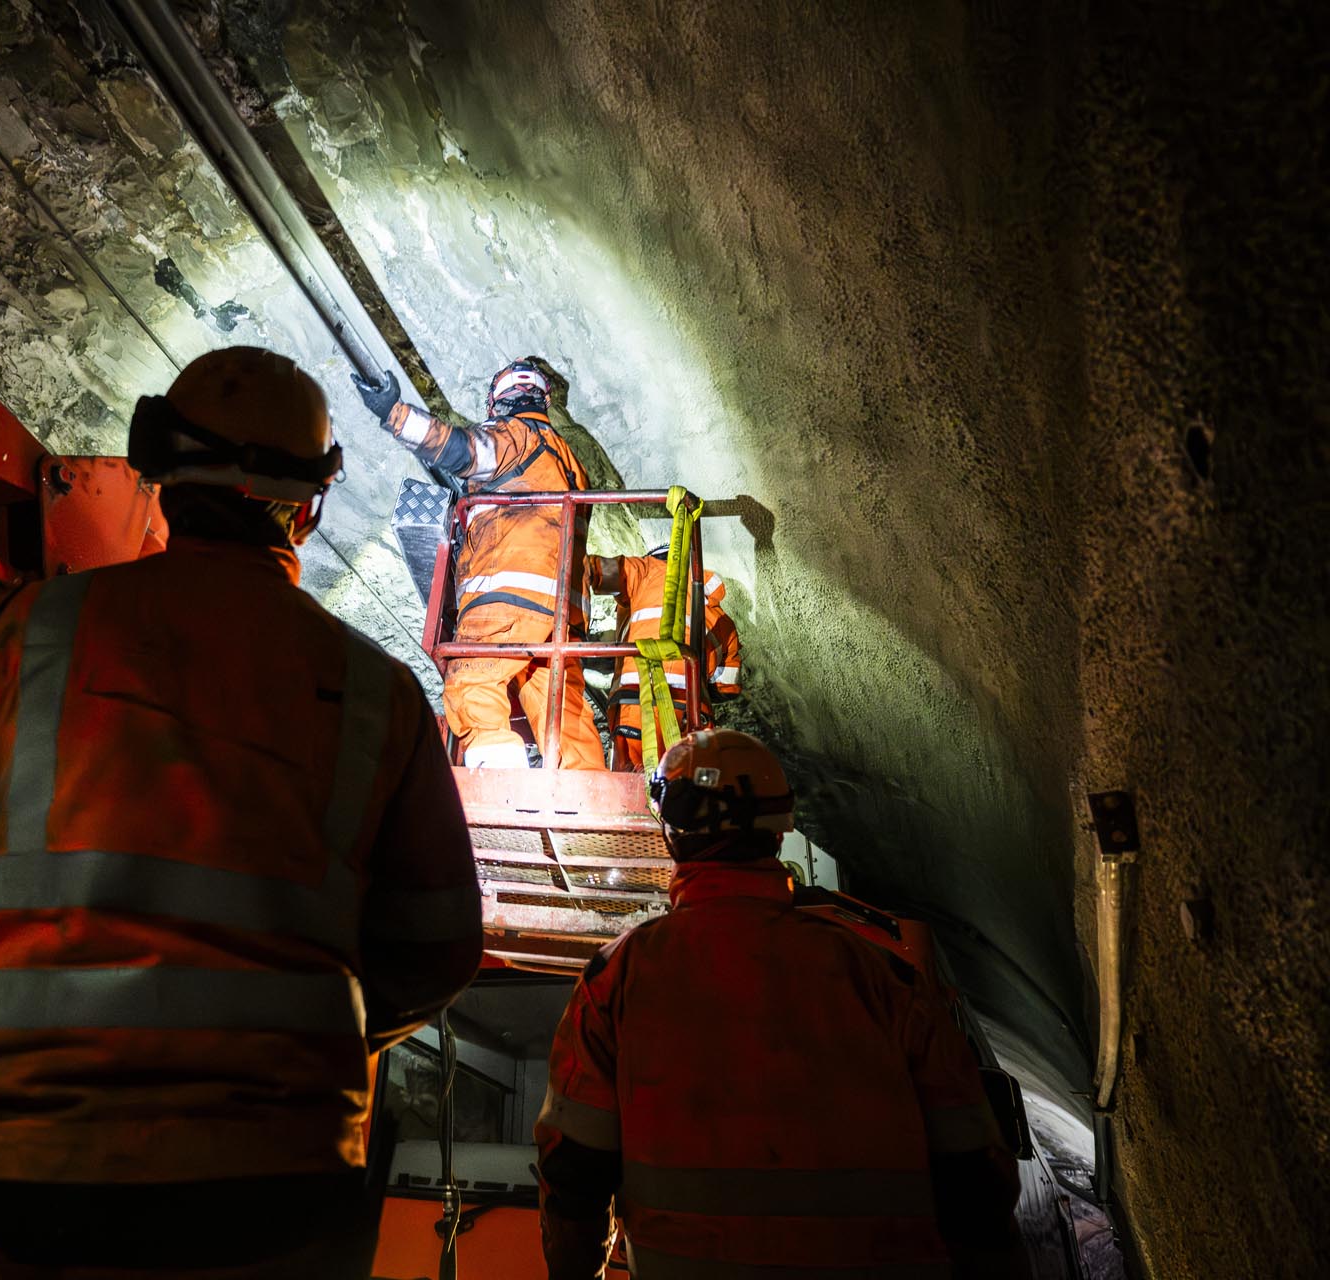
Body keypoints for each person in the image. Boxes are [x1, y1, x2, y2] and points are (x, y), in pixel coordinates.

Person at [0, 347, 484, 1279]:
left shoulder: (36, 630)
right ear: (310, 508)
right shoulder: (379, 696)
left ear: (159, 481)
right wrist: (304, 1038)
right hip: (273, 1201)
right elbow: (438, 948)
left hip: (38, 1183)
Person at [535, 729, 1022, 1278]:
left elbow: (573, 1168)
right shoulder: (881, 975)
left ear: (672, 834)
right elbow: (974, 1171)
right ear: (780, 829)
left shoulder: (617, 978)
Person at [353, 358, 602, 770]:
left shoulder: (515, 435)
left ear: (496, 402)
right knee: (562, 717)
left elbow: (461, 450)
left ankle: (500, 788)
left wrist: (395, 414)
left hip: (510, 596)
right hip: (563, 617)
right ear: (543, 399)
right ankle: (590, 795)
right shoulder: (570, 463)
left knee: (472, 682)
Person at [590, 517, 742, 770]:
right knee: (686, 785)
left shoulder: (644, 570)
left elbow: (599, 572)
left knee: (630, 782)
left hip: (637, 703)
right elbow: (728, 688)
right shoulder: (721, 618)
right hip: (692, 713)